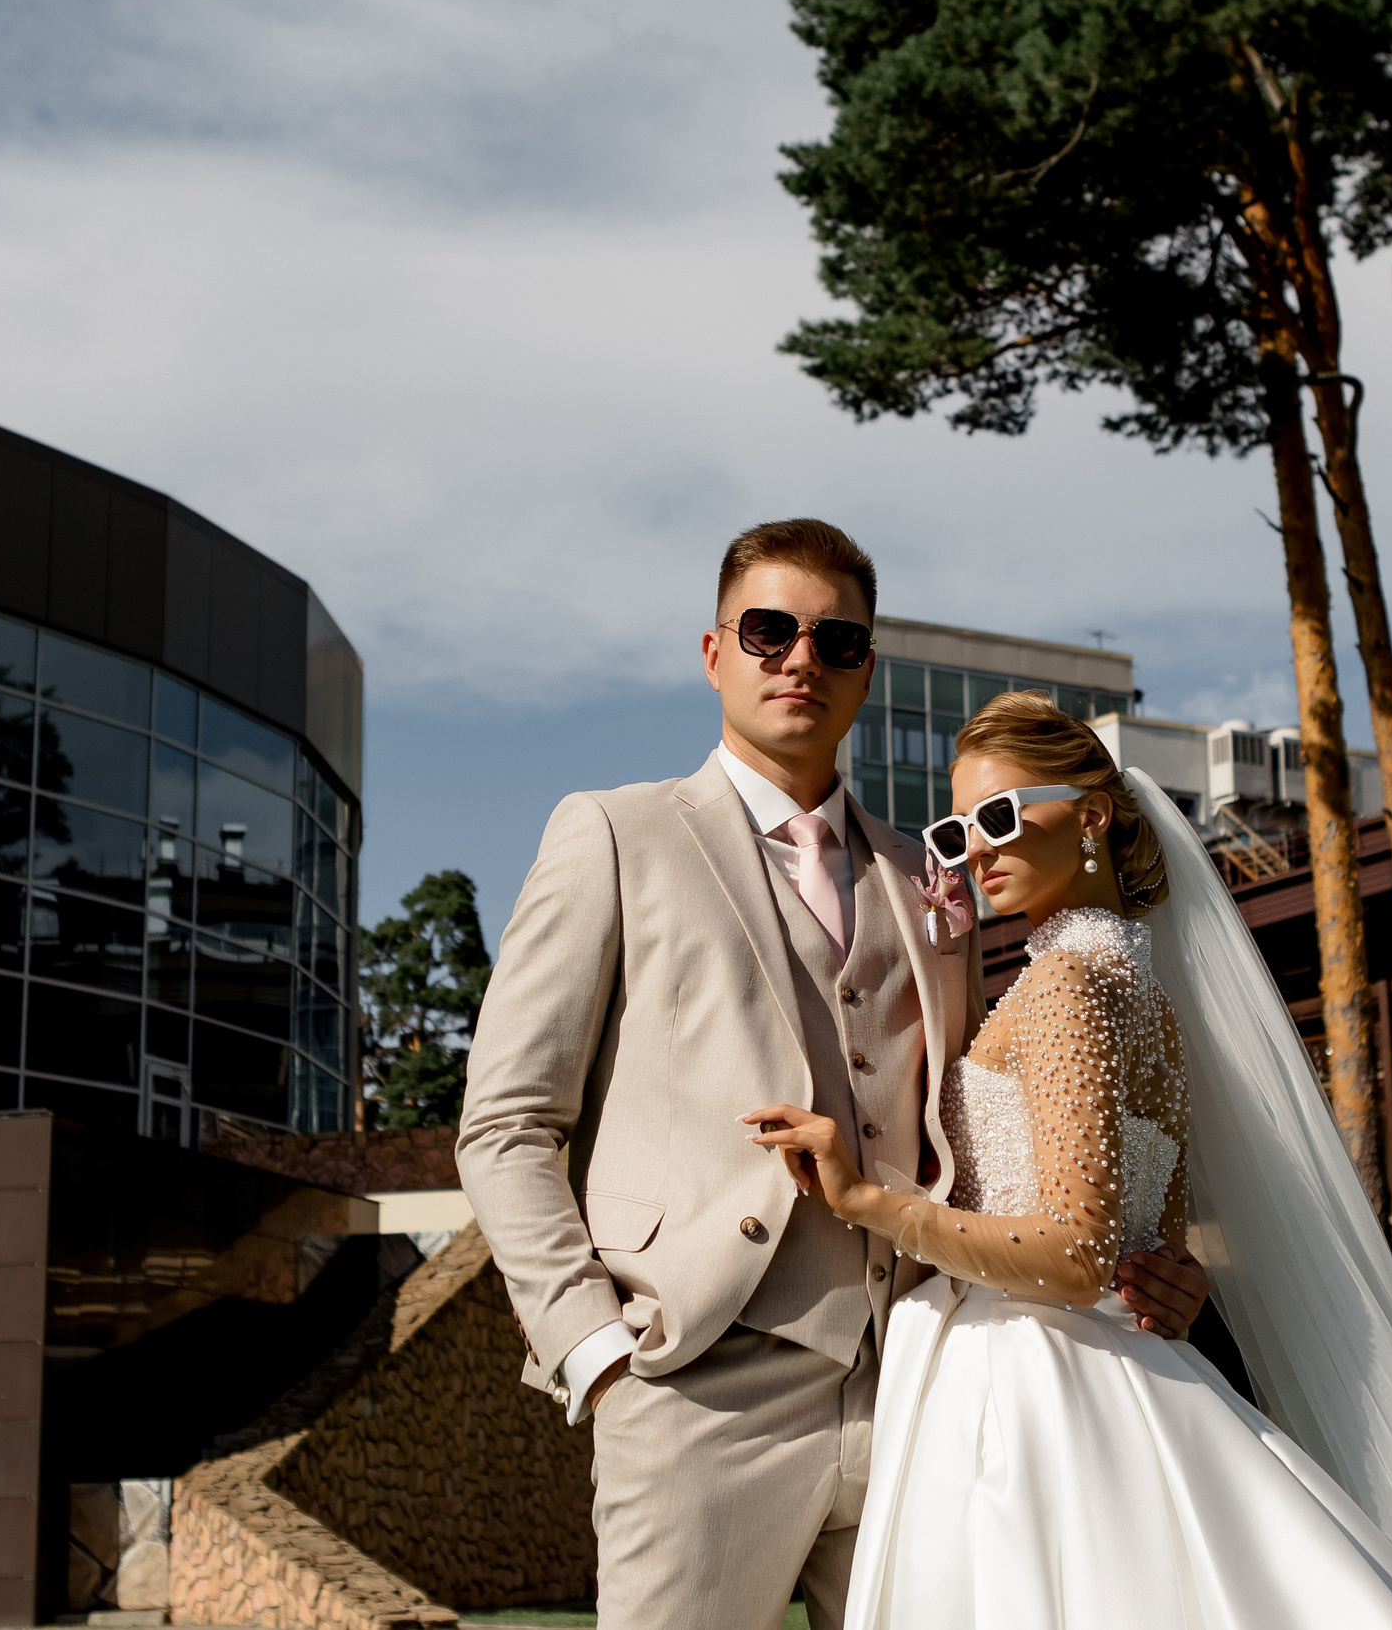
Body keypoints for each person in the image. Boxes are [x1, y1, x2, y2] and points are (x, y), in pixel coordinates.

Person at [455, 519, 1211, 1630]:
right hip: (698, 1391)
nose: (799, 657)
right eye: (767, 630)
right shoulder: (613, 834)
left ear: (865, 666)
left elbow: (1029, 1117)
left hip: (924, 1386)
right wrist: (597, 1352)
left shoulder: (937, 870)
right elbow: (506, 1122)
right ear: (715, 653)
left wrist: (1160, 1257)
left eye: (835, 638)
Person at [747, 692, 1392, 1630]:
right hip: (1120, 1366)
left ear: (1090, 814)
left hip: (1031, 1384)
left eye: (1000, 816)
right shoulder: (1151, 1005)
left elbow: (1079, 1254)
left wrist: (864, 1198)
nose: (978, 847)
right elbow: (1146, 1250)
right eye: (959, 828)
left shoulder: (1066, 990)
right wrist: (1177, 1280)